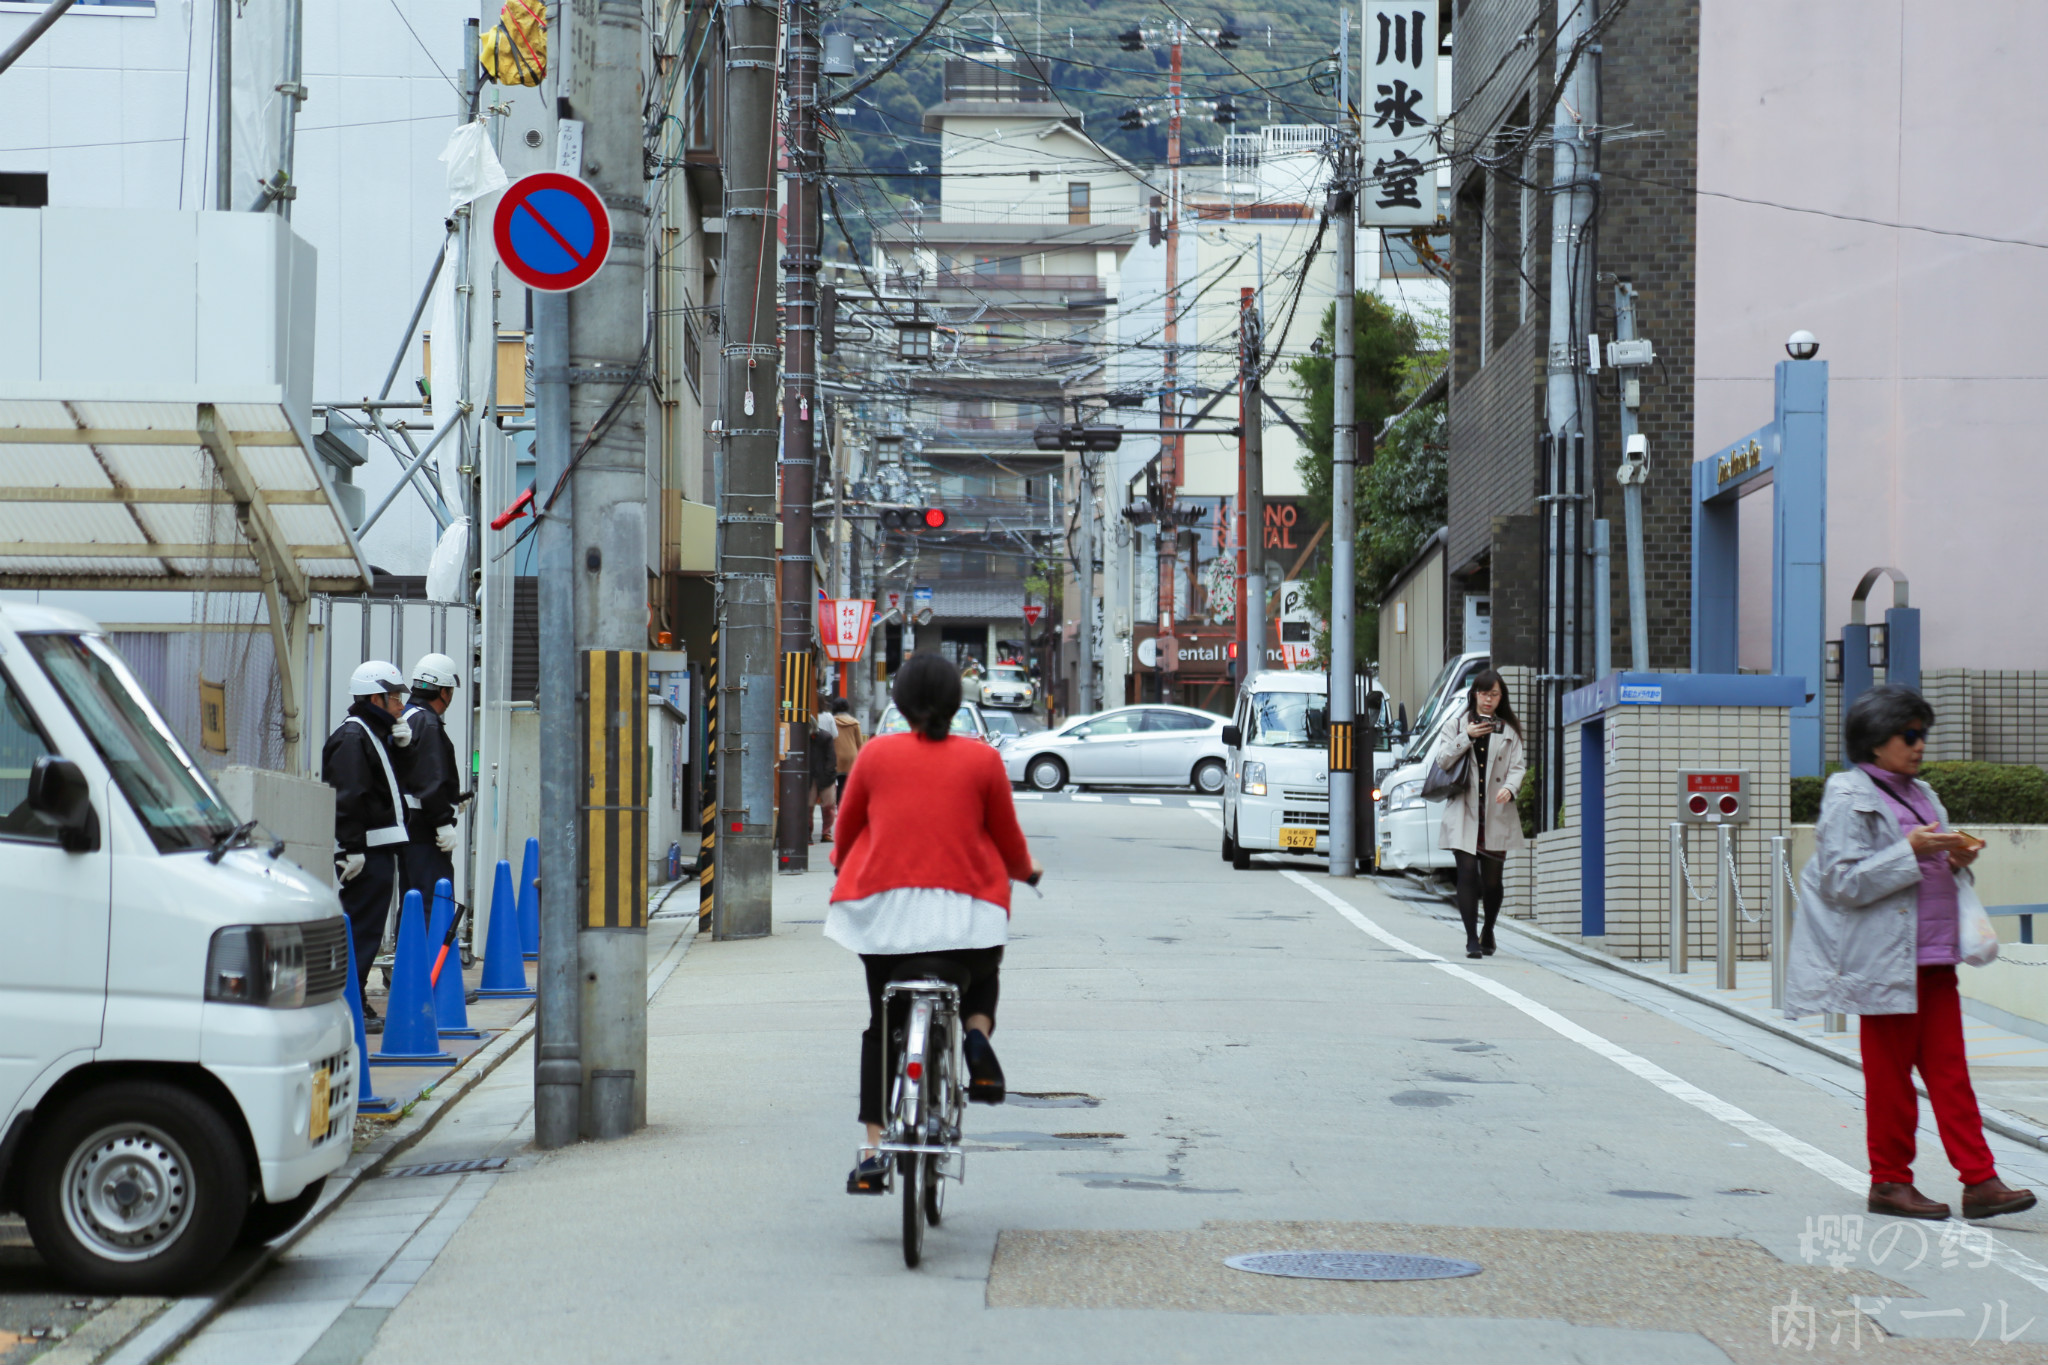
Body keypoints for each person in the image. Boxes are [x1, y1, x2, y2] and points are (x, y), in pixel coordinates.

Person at [1785, 685, 2037, 1221]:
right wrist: (1911, 850)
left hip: (1935, 958)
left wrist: (1955, 857)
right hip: (1884, 963)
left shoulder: (1922, 793)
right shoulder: (1848, 793)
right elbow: (1840, 882)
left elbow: (1926, 865)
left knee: (1951, 1074)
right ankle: (1890, 1182)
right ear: (1877, 742)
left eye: (1923, 733)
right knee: (1891, 1079)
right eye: (1910, 734)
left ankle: (1980, 1182)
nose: (1920, 744)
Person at [827, 653, 1040, 1195]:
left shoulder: (875, 756)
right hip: (964, 919)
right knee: (984, 973)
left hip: (885, 922)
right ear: (956, 702)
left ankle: (874, 1152)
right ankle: (974, 1035)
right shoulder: (983, 761)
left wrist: (841, 866)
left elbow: (845, 833)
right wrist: (1027, 871)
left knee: (881, 1024)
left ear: (899, 703)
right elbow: (1008, 840)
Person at [322, 660, 414, 1028]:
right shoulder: (353, 737)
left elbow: (387, 787)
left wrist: (403, 746)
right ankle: (349, 1002)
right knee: (360, 929)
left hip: (377, 847)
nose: (401, 706)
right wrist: (351, 848)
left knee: (368, 928)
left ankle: (354, 997)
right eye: (394, 699)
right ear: (375, 698)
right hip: (366, 851)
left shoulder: (372, 734)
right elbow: (349, 796)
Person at [1428, 669, 1526, 959]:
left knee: (1493, 882)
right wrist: (1466, 737)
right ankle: (1471, 939)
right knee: (1467, 874)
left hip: (1496, 812)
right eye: (1483, 693)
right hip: (1463, 810)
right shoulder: (1457, 723)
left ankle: (1489, 929)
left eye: (1494, 694)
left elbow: (1518, 767)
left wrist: (1510, 788)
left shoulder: (1509, 730)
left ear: (1500, 697)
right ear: (1474, 694)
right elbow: (1442, 759)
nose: (1488, 699)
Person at [398, 653, 464, 916]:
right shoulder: (428, 722)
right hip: (426, 831)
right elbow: (429, 778)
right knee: (432, 903)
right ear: (445, 691)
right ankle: (433, 958)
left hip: (407, 828)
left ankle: (409, 957)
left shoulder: (407, 716)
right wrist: (442, 821)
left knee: (412, 901)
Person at [810, 700, 839, 843]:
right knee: (817, 806)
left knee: (825, 806)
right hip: (813, 775)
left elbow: (831, 757)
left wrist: (828, 774)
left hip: (822, 774)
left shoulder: (824, 737)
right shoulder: (828, 719)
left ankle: (825, 832)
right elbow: (835, 736)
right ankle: (812, 832)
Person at [830, 696, 864, 801]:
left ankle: (837, 806)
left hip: (836, 755)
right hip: (851, 757)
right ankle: (844, 806)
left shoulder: (832, 722)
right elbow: (860, 743)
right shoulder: (854, 723)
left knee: (836, 783)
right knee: (845, 783)